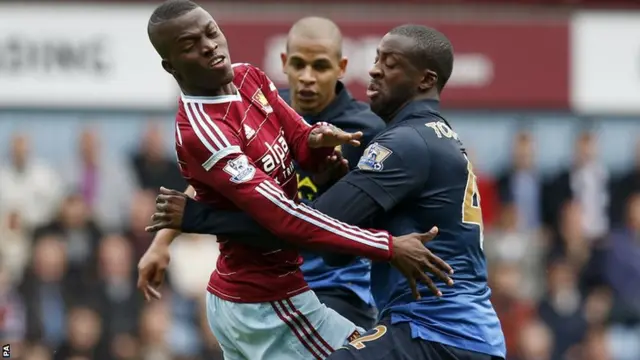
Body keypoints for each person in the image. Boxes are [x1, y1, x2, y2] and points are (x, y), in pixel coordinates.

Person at [146, 24, 506, 360]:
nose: (374, 71)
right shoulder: (263, 102)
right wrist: (168, 236)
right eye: (377, 59)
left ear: (338, 68)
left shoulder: (388, 138)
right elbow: (230, 184)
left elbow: (311, 225)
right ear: (284, 65)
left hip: (411, 320)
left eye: (389, 64)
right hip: (432, 323)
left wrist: (198, 218)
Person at [276, 16, 386, 329]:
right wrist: (162, 243)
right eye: (298, 64)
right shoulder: (264, 115)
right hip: (270, 282)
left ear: (341, 67)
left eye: (321, 67)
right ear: (284, 62)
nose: (307, 77)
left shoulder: (368, 131)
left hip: (336, 286)